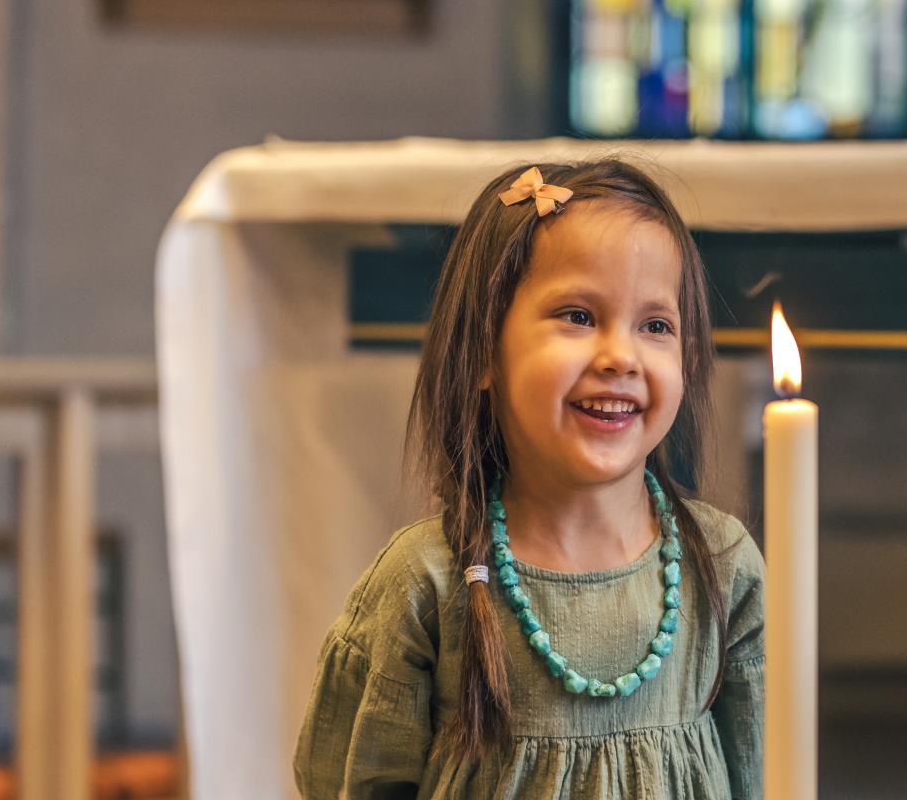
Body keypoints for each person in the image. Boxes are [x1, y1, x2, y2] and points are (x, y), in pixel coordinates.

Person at [294, 161, 764, 799]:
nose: (621, 357)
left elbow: (769, 769)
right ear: (484, 349)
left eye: (656, 325)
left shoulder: (722, 566)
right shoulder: (427, 582)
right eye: (577, 315)